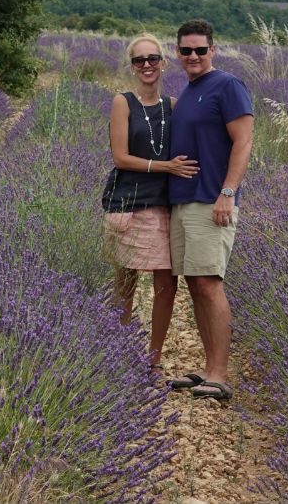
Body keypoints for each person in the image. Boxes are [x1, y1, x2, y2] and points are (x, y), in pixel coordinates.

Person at [166, 19, 253, 401]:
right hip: (184, 199)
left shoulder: (228, 86)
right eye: (186, 50)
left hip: (210, 199)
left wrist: (228, 192)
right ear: (178, 53)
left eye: (201, 49)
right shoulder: (188, 92)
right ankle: (207, 367)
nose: (194, 56)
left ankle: (219, 372)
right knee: (194, 282)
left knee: (209, 282)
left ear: (213, 50)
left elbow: (244, 142)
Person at [101, 33, 199, 370]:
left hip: (163, 206)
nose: (146, 65)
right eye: (139, 60)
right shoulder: (122, 102)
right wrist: (165, 166)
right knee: (125, 282)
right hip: (128, 203)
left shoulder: (173, 106)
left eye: (152, 59)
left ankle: (152, 358)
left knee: (166, 284)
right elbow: (120, 158)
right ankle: (117, 351)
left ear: (163, 63)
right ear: (131, 66)